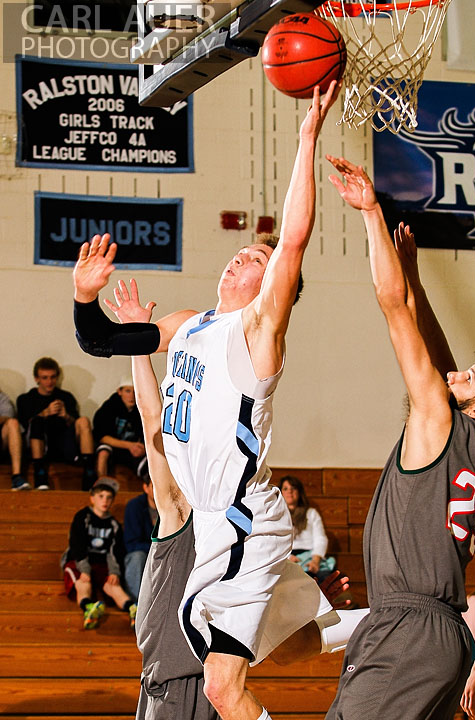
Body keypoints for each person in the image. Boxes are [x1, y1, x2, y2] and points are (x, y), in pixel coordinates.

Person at [73, 82, 346, 720]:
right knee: (296, 644)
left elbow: (296, 238)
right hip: (214, 523)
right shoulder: (187, 323)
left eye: (254, 257)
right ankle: (412, 625)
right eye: (241, 251)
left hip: (242, 516)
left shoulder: (256, 332)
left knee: (222, 687)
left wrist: (306, 137)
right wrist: (85, 297)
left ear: (270, 285)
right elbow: (100, 340)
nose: (238, 258)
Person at [325, 155, 475, 720]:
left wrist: (371, 214)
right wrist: (413, 275)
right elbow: (434, 348)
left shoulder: (440, 417)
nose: (460, 371)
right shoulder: (465, 432)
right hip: (435, 633)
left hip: (408, 628)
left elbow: (392, 309)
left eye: (472, 376)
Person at [131, 350, 366, 720]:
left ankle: (397, 622)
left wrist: (301, 606)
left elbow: (284, 649)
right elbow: (152, 423)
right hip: (175, 690)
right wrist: (139, 344)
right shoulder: (181, 516)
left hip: (220, 692)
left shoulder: (244, 529)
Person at [62, 476, 137, 630]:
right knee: (83, 582)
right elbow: (77, 544)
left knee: (113, 584)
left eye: (109, 498)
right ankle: (88, 607)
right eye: (101, 496)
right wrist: (84, 569)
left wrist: (114, 573)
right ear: (92, 498)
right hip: (79, 561)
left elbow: (114, 551)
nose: (105, 501)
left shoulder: (113, 524)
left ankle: (132, 609)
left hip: (101, 563)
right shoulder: (83, 517)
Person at [16, 357, 96, 490]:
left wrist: (66, 416)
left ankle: (89, 474)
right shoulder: (26, 399)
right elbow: (24, 425)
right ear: (37, 379)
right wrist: (44, 413)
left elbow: (77, 425)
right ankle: (40, 475)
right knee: (36, 422)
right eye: (45, 378)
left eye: (53, 377)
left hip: (64, 444)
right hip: (39, 444)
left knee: (84, 421)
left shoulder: (66, 397)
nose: (49, 382)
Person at [279, 475, 334, 582]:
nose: (289, 491)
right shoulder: (277, 515)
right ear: (281, 492)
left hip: (310, 557)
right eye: (285, 489)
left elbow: (320, 538)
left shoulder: (311, 513)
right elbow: (274, 541)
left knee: (324, 579)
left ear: (299, 492)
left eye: (293, 488)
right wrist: (288, 558)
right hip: (285, 558)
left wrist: (315, 560)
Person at [93, 376, 146, 478]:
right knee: (103, 452)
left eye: (135, 392)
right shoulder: (108, 407)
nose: (132, 396)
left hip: (131, 449)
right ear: (119, 391)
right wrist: (130, 445)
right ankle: (101, 484)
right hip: (112, 445)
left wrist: (142, 448)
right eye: (127, 391)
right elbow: (103, 437)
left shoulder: (142, 410)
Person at [124, 471, 158, 602]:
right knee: (138, 557)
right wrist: (155, 548)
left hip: (164, 553)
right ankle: (138, 605)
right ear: (145, 487)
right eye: (154, 485)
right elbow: (131, 543)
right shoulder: (135, 506)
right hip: (141, 553)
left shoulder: (170, 506)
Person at [0, 387, 29, 490]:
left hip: (2, 443)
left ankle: (17, 477)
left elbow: (8, 415)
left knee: (13, 423)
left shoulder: (1, 397)